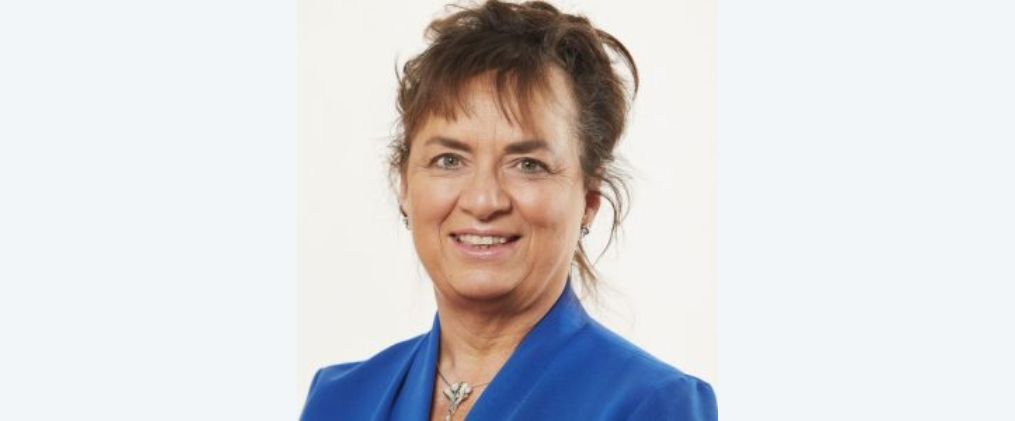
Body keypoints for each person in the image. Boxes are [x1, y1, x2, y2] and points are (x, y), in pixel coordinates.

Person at [300, 1, 717, 419]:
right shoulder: (340, 401)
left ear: (589, 200)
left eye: (528, 165)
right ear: (405, 185)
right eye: (449, 159)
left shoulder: (650, 404)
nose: (483, 201)